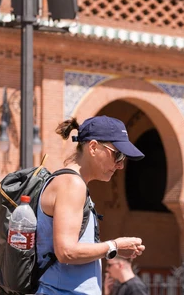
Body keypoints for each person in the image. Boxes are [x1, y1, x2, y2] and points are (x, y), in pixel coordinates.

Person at [36, 115, 147, 295]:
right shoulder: (72, 184)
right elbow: (66, 251)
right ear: (93, 147)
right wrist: (114, 246)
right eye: (118, 154)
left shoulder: (68, 182)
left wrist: (113, 249)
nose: (120, 165)